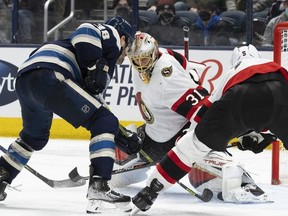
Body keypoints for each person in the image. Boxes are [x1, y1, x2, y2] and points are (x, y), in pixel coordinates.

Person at [0, 17, 143, 213]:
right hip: (50, 74)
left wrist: (120, 135)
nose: (126, 55)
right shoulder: (111, 35)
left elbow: (94, 103)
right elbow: (86, 29)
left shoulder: (95, 56)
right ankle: (99, 186)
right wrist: (94, 66)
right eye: (128, 45)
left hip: (26, 80)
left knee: (34, 138)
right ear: (124, 39)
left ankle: (2, 174)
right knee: (104, 121)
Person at [129, 43, 286, 213]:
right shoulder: (274, 66)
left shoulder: (231, 72)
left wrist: (193, 140)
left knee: (192, 146)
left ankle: (150, 192)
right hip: (280, 90)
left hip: (240, 94)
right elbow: (270, 108)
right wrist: (268, 135)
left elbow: (205, 112)